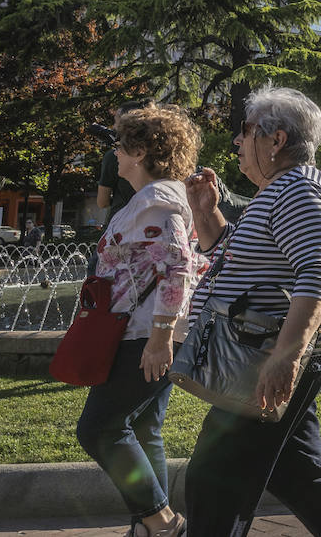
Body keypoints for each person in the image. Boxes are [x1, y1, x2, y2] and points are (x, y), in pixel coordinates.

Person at [182, 87, 321, 537]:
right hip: (263, 353)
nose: (237, 143)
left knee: (213, 479)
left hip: (264, 357)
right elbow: (241, 261)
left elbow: (317, 272)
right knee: (298, 473)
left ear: (275, 139)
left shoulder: (299, 189)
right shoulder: (277, 190)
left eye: (244, 132)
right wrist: (207, 215)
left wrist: (286, 357)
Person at [75, 104, 203, 537]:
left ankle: (162, 522)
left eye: (121, 143)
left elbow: (180, 269)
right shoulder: (152, 200)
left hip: (143, 336)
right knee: (145, 427)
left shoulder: (157, 203)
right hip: (143, 332)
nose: (114, 151)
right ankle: (148, 528)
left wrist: (161, 338)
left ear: (142, 151)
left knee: (99, 429)